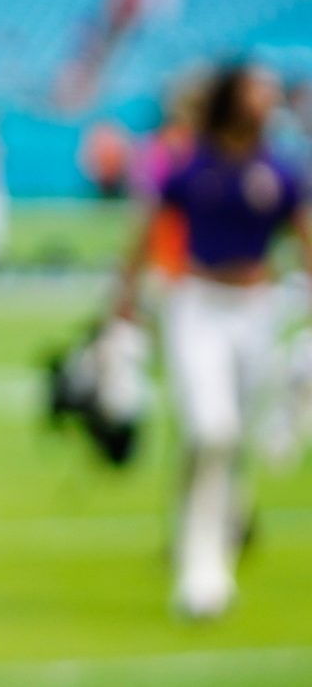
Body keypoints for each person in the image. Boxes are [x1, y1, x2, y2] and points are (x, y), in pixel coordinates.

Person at [113, 61, 312, 619]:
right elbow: (147, 230)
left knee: (231, 437)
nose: (267, 99)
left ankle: (209, 534)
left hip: (257, 307)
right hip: (198, 305)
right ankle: (203, 568)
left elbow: (302, 236)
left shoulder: (278, 168)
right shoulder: (192, 164)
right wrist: (122, 305)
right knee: (211, 428)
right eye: (257, 90)